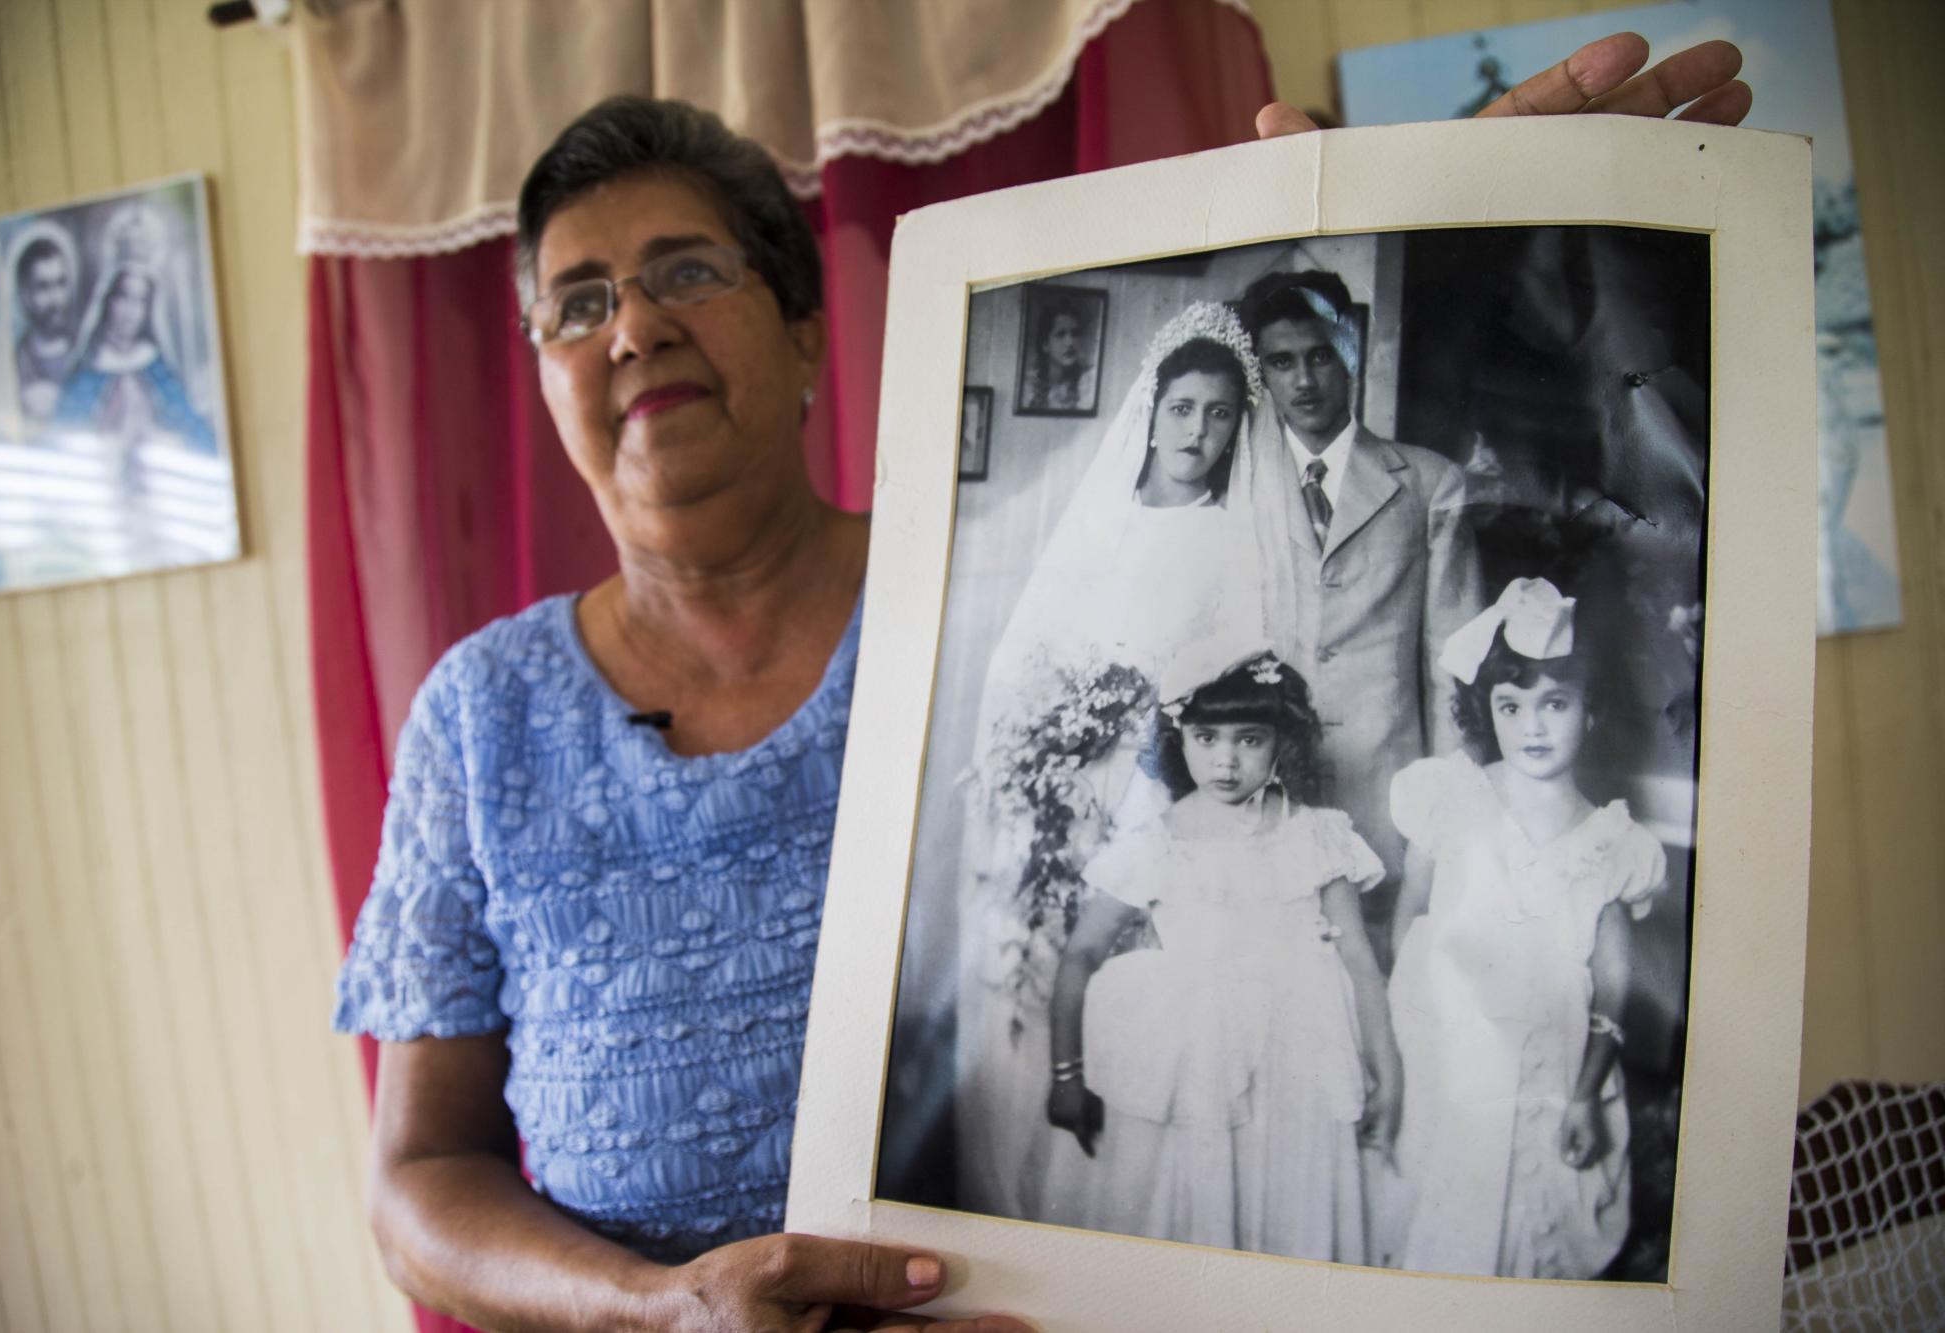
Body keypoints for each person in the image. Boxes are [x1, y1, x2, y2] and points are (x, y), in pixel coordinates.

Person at [330, 27, 1753, 1332]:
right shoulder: (478, 713)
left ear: (809, 332)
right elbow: (419, 1181)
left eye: (687, 271)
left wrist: (1416, 197)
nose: (632, 326)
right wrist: (652, 1310)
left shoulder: (982, 588)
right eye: (577, 303)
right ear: (547, 371)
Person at [952, 301, 1290, 1224]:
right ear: (1152, 410)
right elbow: (1031, 651)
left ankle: (1119, 1194)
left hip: (1159, 780)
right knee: (1040, 954)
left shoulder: (1235, 535)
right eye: (1182, 408)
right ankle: (1022, 1174)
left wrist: (1156, 742)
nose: (1199, 431)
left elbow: (1241, 669)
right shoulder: (1101, 521)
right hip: (1069, 770)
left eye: (1220, 414)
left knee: (1124, 964)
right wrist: (1048, 742)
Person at [1043, 642, 1397, 1261]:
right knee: (1199, 1208)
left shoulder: (1316, 834)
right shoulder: (1158, 842)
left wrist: (1388, 1073)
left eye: (1249, 739)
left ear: (1281, 739)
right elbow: (1080, 957)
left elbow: (1361, 962)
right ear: (1179, 740)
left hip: (1301, 1059)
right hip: (1201, 1057)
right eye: (1206, 738)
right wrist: (1066, 1075)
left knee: (1291, 1213)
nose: (1226, 761)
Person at [1377, 578, 1667, 1278]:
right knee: (1437, 1223)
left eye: (1555, 704)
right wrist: (1407, 1037)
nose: (1533, 727)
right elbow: (1410, 920)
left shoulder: (1610, 842)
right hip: (1449, 1068)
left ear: (1591, 711)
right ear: (1487, 711)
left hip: (1552, 1072)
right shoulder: (1452, 799)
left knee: (1528, 1236)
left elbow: (1614, 989)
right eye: (1512, 706)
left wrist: (1582, 1093)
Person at [1239, 266, 1482, 949]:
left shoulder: (1429, 484)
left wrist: (1444, 815)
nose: (1304, 381)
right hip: (1264, 784)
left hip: (1386, 791)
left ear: (1352, 350)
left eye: (1320, 355)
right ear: (1262, 372)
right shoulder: (1241, 483)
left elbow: (1454, 665)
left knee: (1373, 991)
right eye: (1282, 363)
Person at [55, 265, 215, 455]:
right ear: (108, 301)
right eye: (123, 297)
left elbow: (195, 434)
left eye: (140, 301)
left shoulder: (156, 367)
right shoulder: (89, 370)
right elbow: (63, 436)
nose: (130, 310)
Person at [11, 229, 79, 420]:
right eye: (43, 287)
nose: (56, 299)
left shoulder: (87, 350)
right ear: (25, 294)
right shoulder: (18, 362)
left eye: (61, 283)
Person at [1019, 296, 1093, 411]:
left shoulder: (1088, 383)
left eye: (1074, 334)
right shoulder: (1027, 387)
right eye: (1060, 334)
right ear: (1045, 345)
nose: (1070, 342)